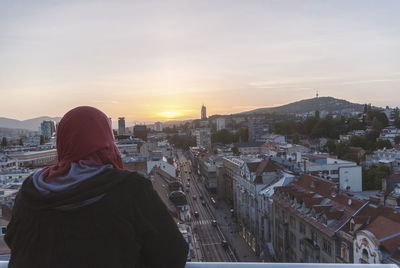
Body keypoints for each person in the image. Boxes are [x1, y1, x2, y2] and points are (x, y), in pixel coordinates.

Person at [5, 106, 188, 268]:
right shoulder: (130, 189)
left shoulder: (32, 189)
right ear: (107, 141)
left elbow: (13, 240)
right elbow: (173, 252)